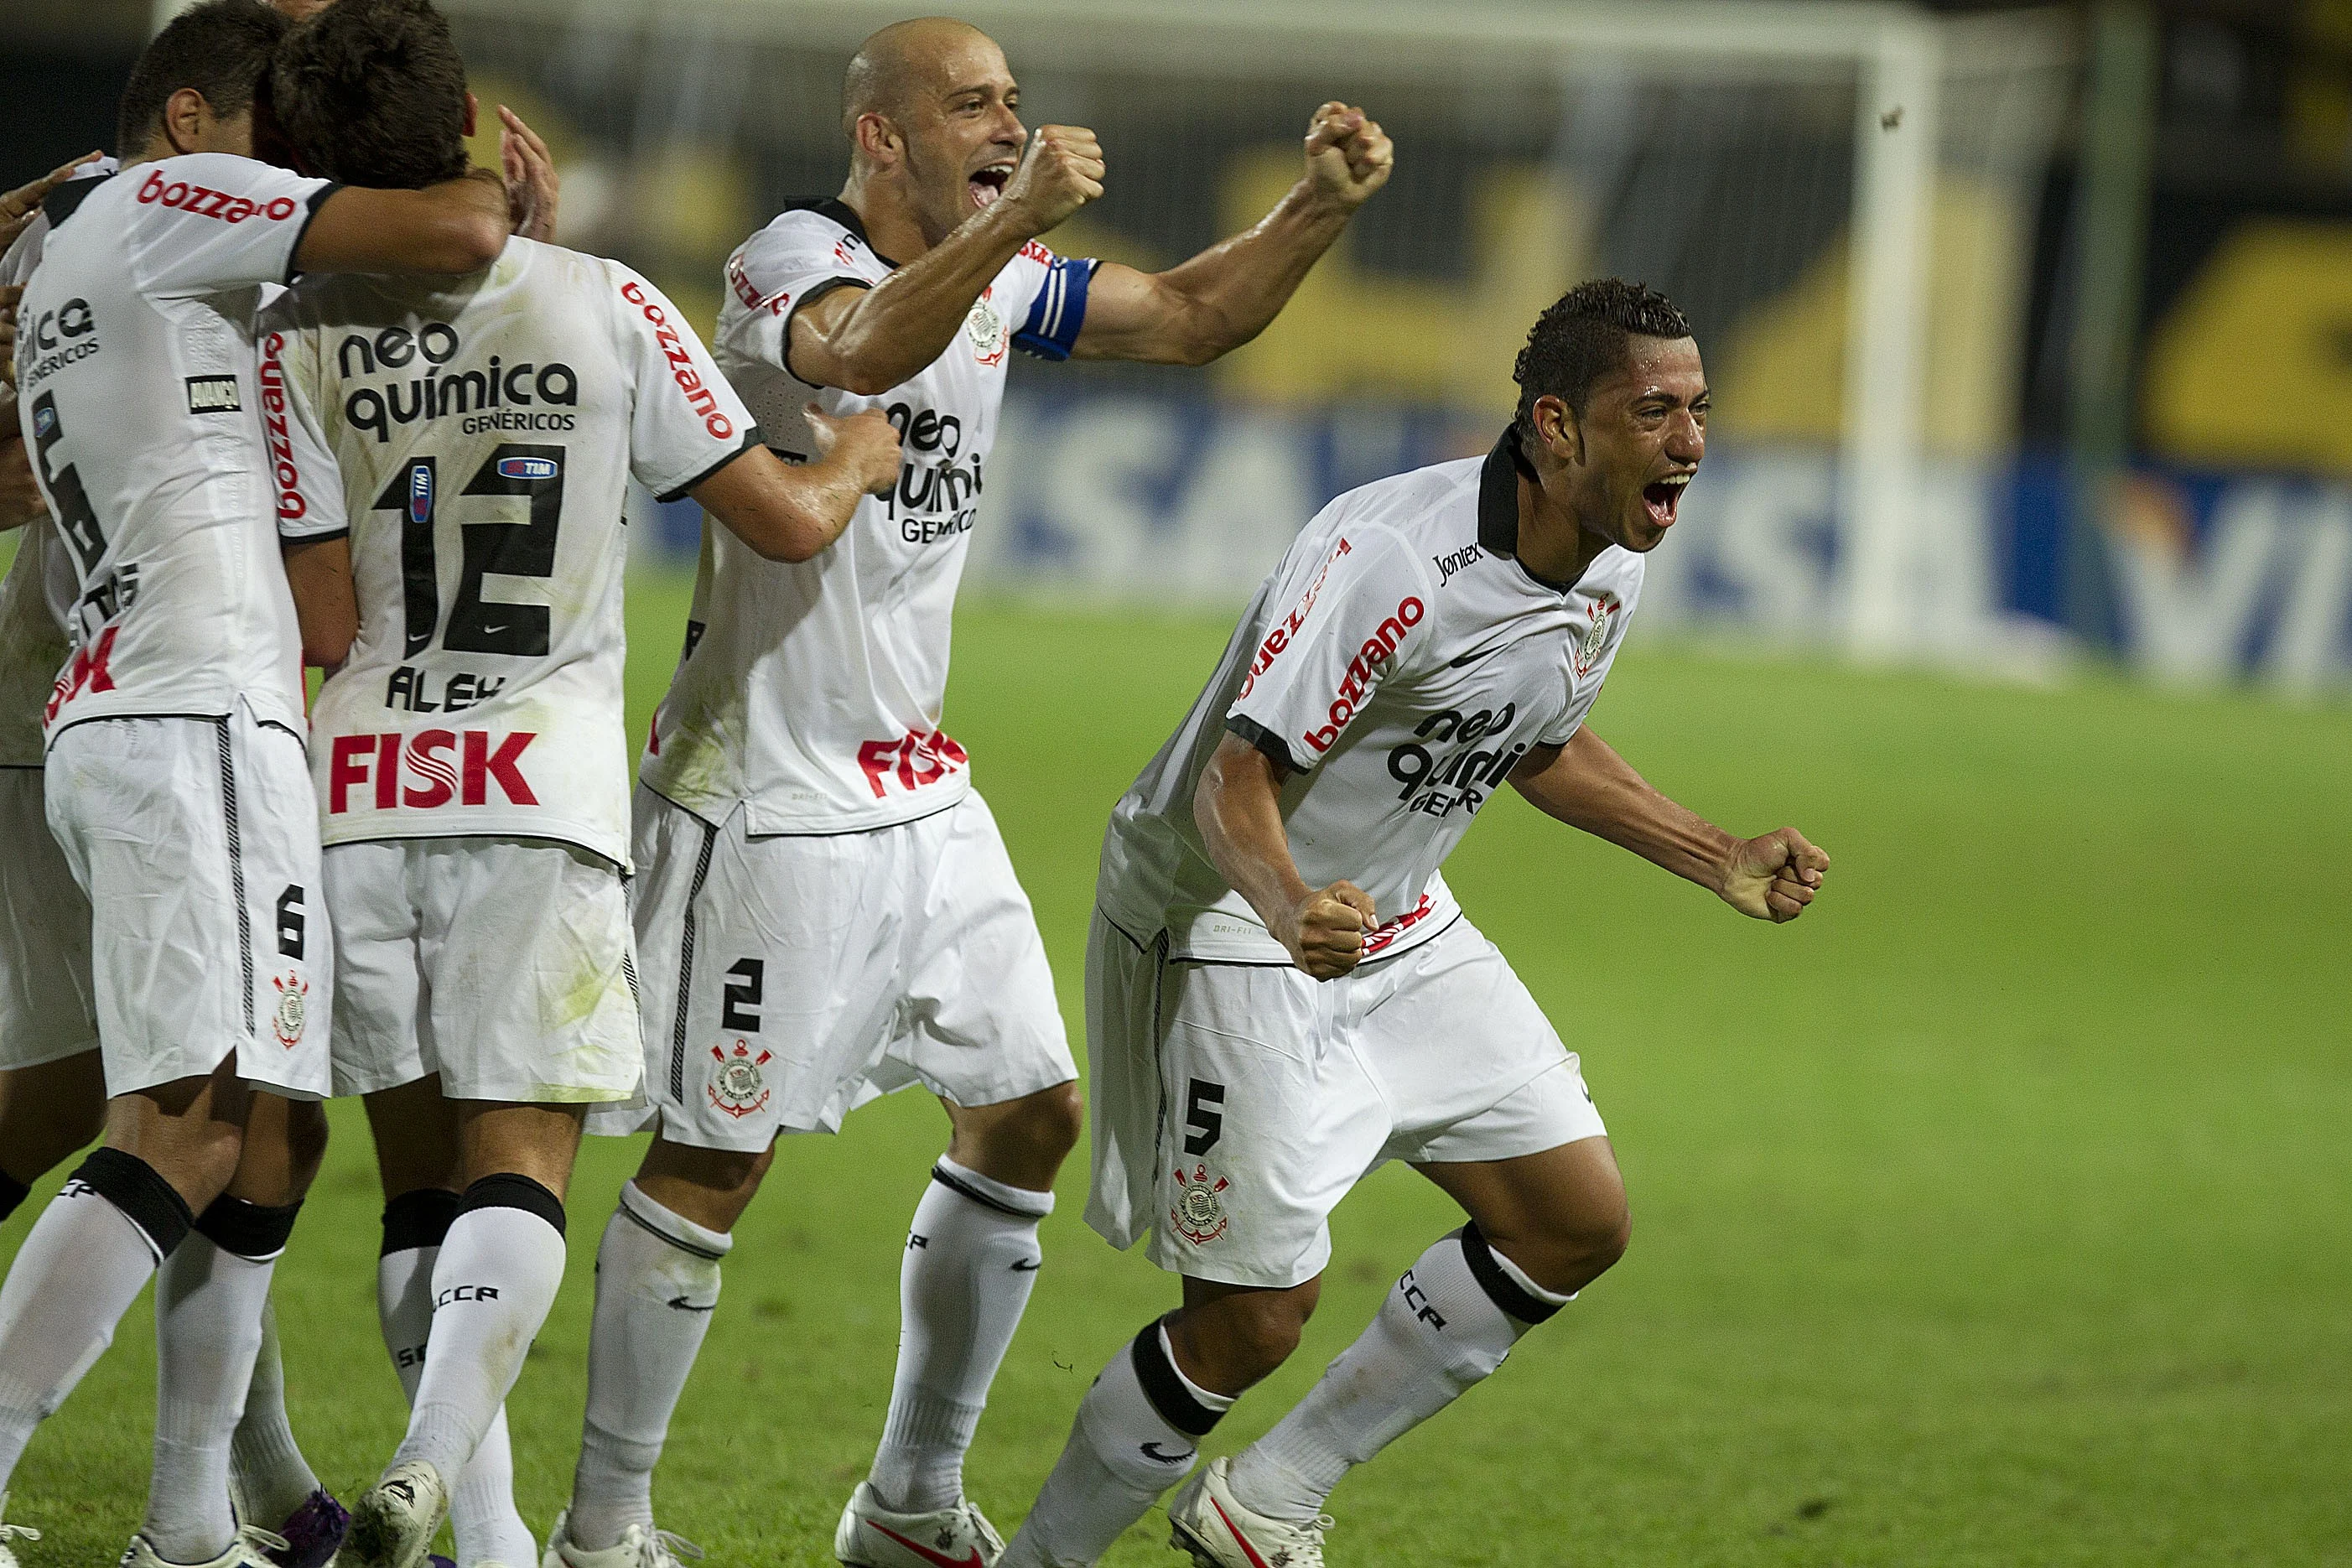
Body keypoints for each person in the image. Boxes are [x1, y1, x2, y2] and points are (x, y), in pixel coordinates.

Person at [543, 18, 1394, 1568]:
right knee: (720, 1157)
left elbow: (1196, 314)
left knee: (1029, 1111)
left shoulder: (1002, 268)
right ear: (884, 137)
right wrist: (1014, 220)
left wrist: (1317, 206)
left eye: (1016, 100)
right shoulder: (785, 257)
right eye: (973, 103)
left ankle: (910, 1504)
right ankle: (604, 1530)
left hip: (921, 788)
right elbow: (857, 350)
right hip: (770, 794)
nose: (1010, 122)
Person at [998, 279, 1831, 1568]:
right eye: (1653, 410)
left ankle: (1264, 1500)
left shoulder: (1607, 562)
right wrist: (1288, 910)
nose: (1690, 440)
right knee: (1255, 1318)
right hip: (1227, 913)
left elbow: (1533, 741)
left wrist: (1714, 852)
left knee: (1573, 1216)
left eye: (1700, 409)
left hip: (1396, 917)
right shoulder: (1388, 557)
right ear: (1557, 426)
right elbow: (1234, 781)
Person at [254, 3, 902, 1565]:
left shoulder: (287, 334)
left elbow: (324, 617)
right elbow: (790, 523)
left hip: (358, 788)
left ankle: (478, 1541)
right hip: (535, 793)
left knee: (419, 1188)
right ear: (474, 118)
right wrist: (861, 461)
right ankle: (427, 1467)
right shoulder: (607, 301)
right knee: (517, 1173)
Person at [0, 0, 543, 1559]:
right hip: (199, 720)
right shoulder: (176, 204)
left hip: (122, 706)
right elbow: (444, 224)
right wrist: (485, 181)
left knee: (242, 1115)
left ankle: (192, 1521)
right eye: (269, 146)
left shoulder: (68, 254)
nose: (282, 183)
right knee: (177, 1120)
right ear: (188, 125)